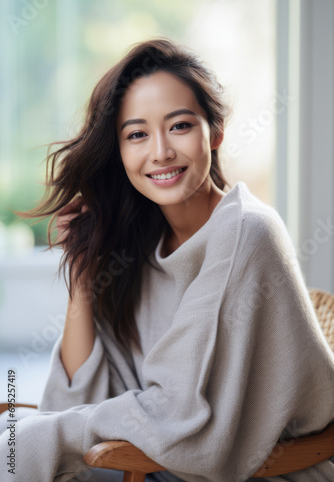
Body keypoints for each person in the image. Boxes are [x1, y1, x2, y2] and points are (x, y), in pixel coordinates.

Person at [0, 37, 334, 482]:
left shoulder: (246, 232)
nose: (160, 151)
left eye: (179, 126)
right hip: (151, 463)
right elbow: (75, 397)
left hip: (262, 471)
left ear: (214, 133)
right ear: (120, 154)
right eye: (137, 134)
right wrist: (82, 277)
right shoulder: (138, 244)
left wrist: (51, 434)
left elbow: (183, 419)